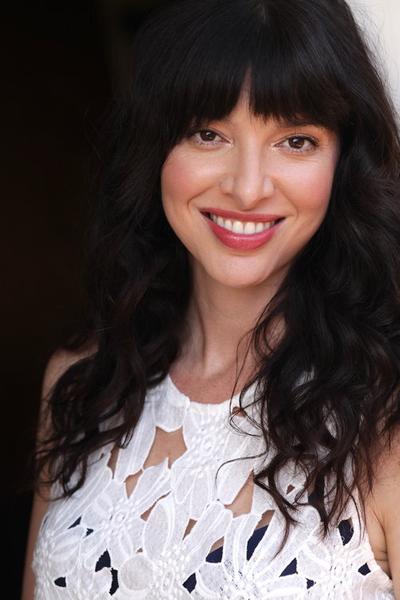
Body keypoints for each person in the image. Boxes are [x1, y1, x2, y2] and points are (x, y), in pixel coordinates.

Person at [22, 0, 400, 598]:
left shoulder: (386, 419)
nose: (247, 188)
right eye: (208, 133)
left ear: (343, 162)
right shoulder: (80, 382)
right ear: (155, 147)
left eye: (295, 140)